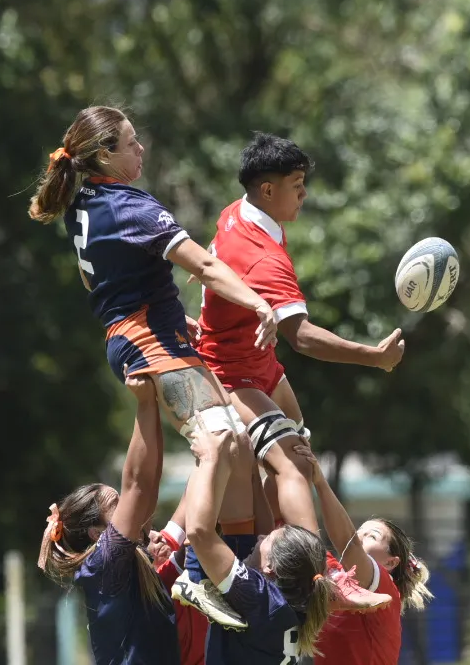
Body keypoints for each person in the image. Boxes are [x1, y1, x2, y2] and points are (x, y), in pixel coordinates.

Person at [191, 132, 403, 607]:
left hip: (260, 364)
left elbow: (214, 260)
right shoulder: (265, 258)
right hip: (230, 374)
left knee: (297, 451)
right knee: (291, 463)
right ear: (268, 189)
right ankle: (318, 578)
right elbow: (303, 337)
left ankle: (279, 553)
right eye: (298, 184)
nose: (304, 194)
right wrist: (373, 356)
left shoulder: (239, 213)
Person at [29, 106, 278, 442]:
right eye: (131, 143)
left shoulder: (81, 204)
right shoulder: (130, 207)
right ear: (105, 154)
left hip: (136, 336)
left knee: (238, 443)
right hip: (149, 341)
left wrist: (172, 315)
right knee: (219, 441)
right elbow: (204, 266)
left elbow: (94, 278)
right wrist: (259, 304)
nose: (140, 148)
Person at [37, 372, 181, 663]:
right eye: (116, 503)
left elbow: (149, 483)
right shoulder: (102, 565)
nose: (127, 505)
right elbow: (137, 485)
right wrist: (144, 402)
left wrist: (153, 402)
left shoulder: (123, 555)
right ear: (95, 533)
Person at [181, 425, 333, 663]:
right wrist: (252, 472)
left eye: (268, 540)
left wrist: (208, 459)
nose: (261, 537)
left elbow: (200, 532)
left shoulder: (264, 598)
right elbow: (262, 531)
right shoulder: (284, 597)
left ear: (271, 567)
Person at [294, 440, 433, 664]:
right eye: (360, 531)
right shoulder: (333, 576)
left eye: (372, 536)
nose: (360, 536)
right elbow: (303, 531)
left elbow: (348, 543)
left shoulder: (386, 591)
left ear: (391, 562)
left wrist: (319, 481)